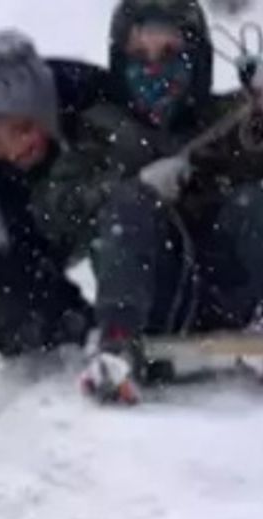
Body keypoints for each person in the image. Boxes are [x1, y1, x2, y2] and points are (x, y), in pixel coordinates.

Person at [32, 0, 263, 403]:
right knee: (129, 204)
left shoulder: (229, 117)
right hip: (150, 302)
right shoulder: (101, 129)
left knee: (254, 201)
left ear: (197, 58)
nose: (154, 69)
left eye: (170, 53)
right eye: (140, 55)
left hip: (227, 293)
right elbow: (56, 213)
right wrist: (132, 186)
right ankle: (115, 351)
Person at [0, 30, 110, 364]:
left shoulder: (95, 100)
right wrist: (71, 317)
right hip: (36, 232)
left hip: (110, 208)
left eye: (22, 130)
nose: (12, 151)